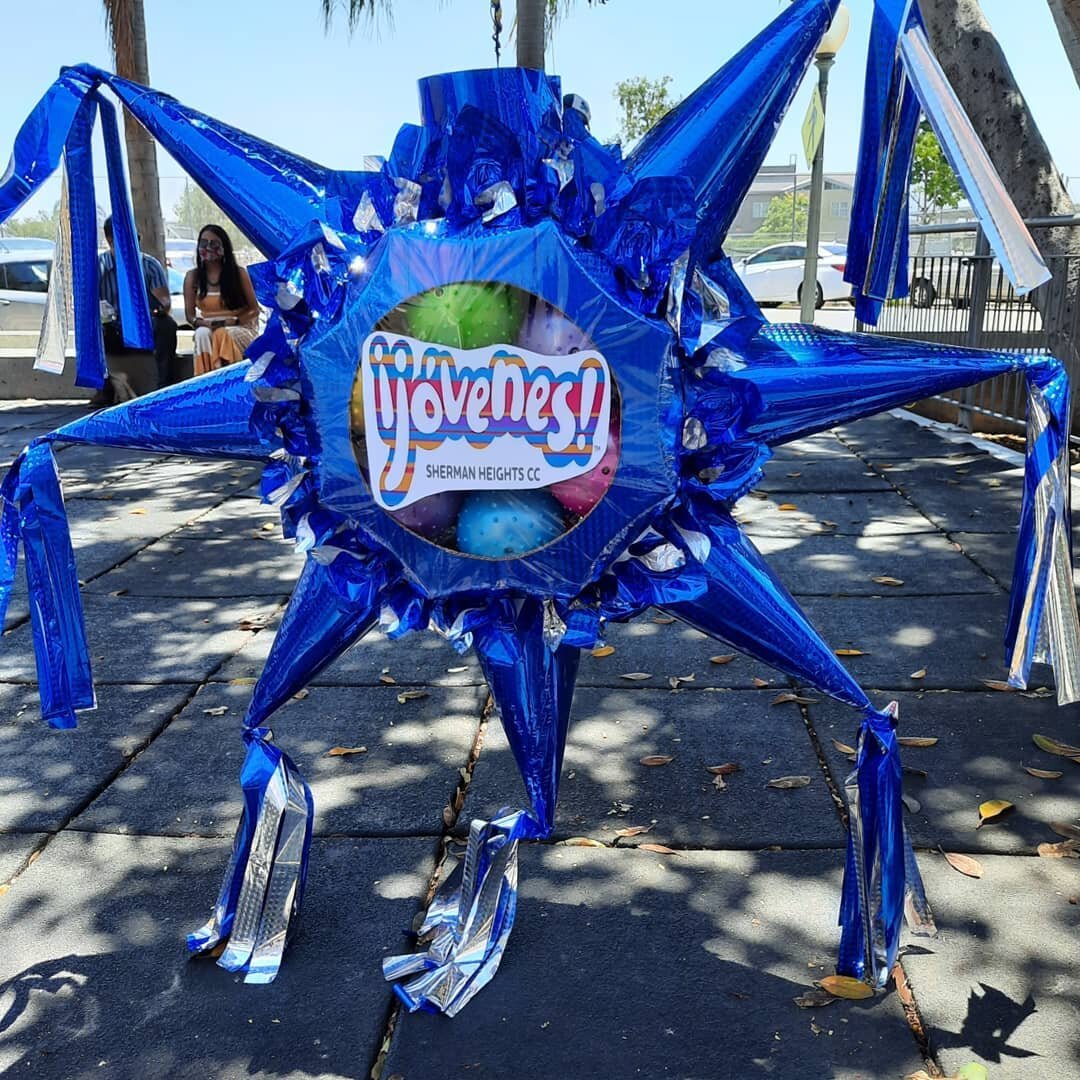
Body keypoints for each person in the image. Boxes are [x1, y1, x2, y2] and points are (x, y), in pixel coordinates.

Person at [97, 215, 178, 402]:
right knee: (92, 331)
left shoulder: (149, 265)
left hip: (144, 324)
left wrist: (157, 307)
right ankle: (104, 387)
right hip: (112, 326)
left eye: (137, 238)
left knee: (167, 325)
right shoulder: (98, 267)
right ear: (111, 241)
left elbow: (164, 302)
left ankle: (163, 386)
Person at [184, 225, 260, 375]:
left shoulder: (239, 273)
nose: (209, 247)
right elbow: (190, 315)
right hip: (209, 326)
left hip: (240, 327)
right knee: (201, 334)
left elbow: (254, 310)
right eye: (204, 243)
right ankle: (204, 380)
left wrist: (235, 321)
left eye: (214, 243)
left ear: (224, 247)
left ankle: (227, 377)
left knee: (222, 333)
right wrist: (200, 323)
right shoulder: (192, 277)